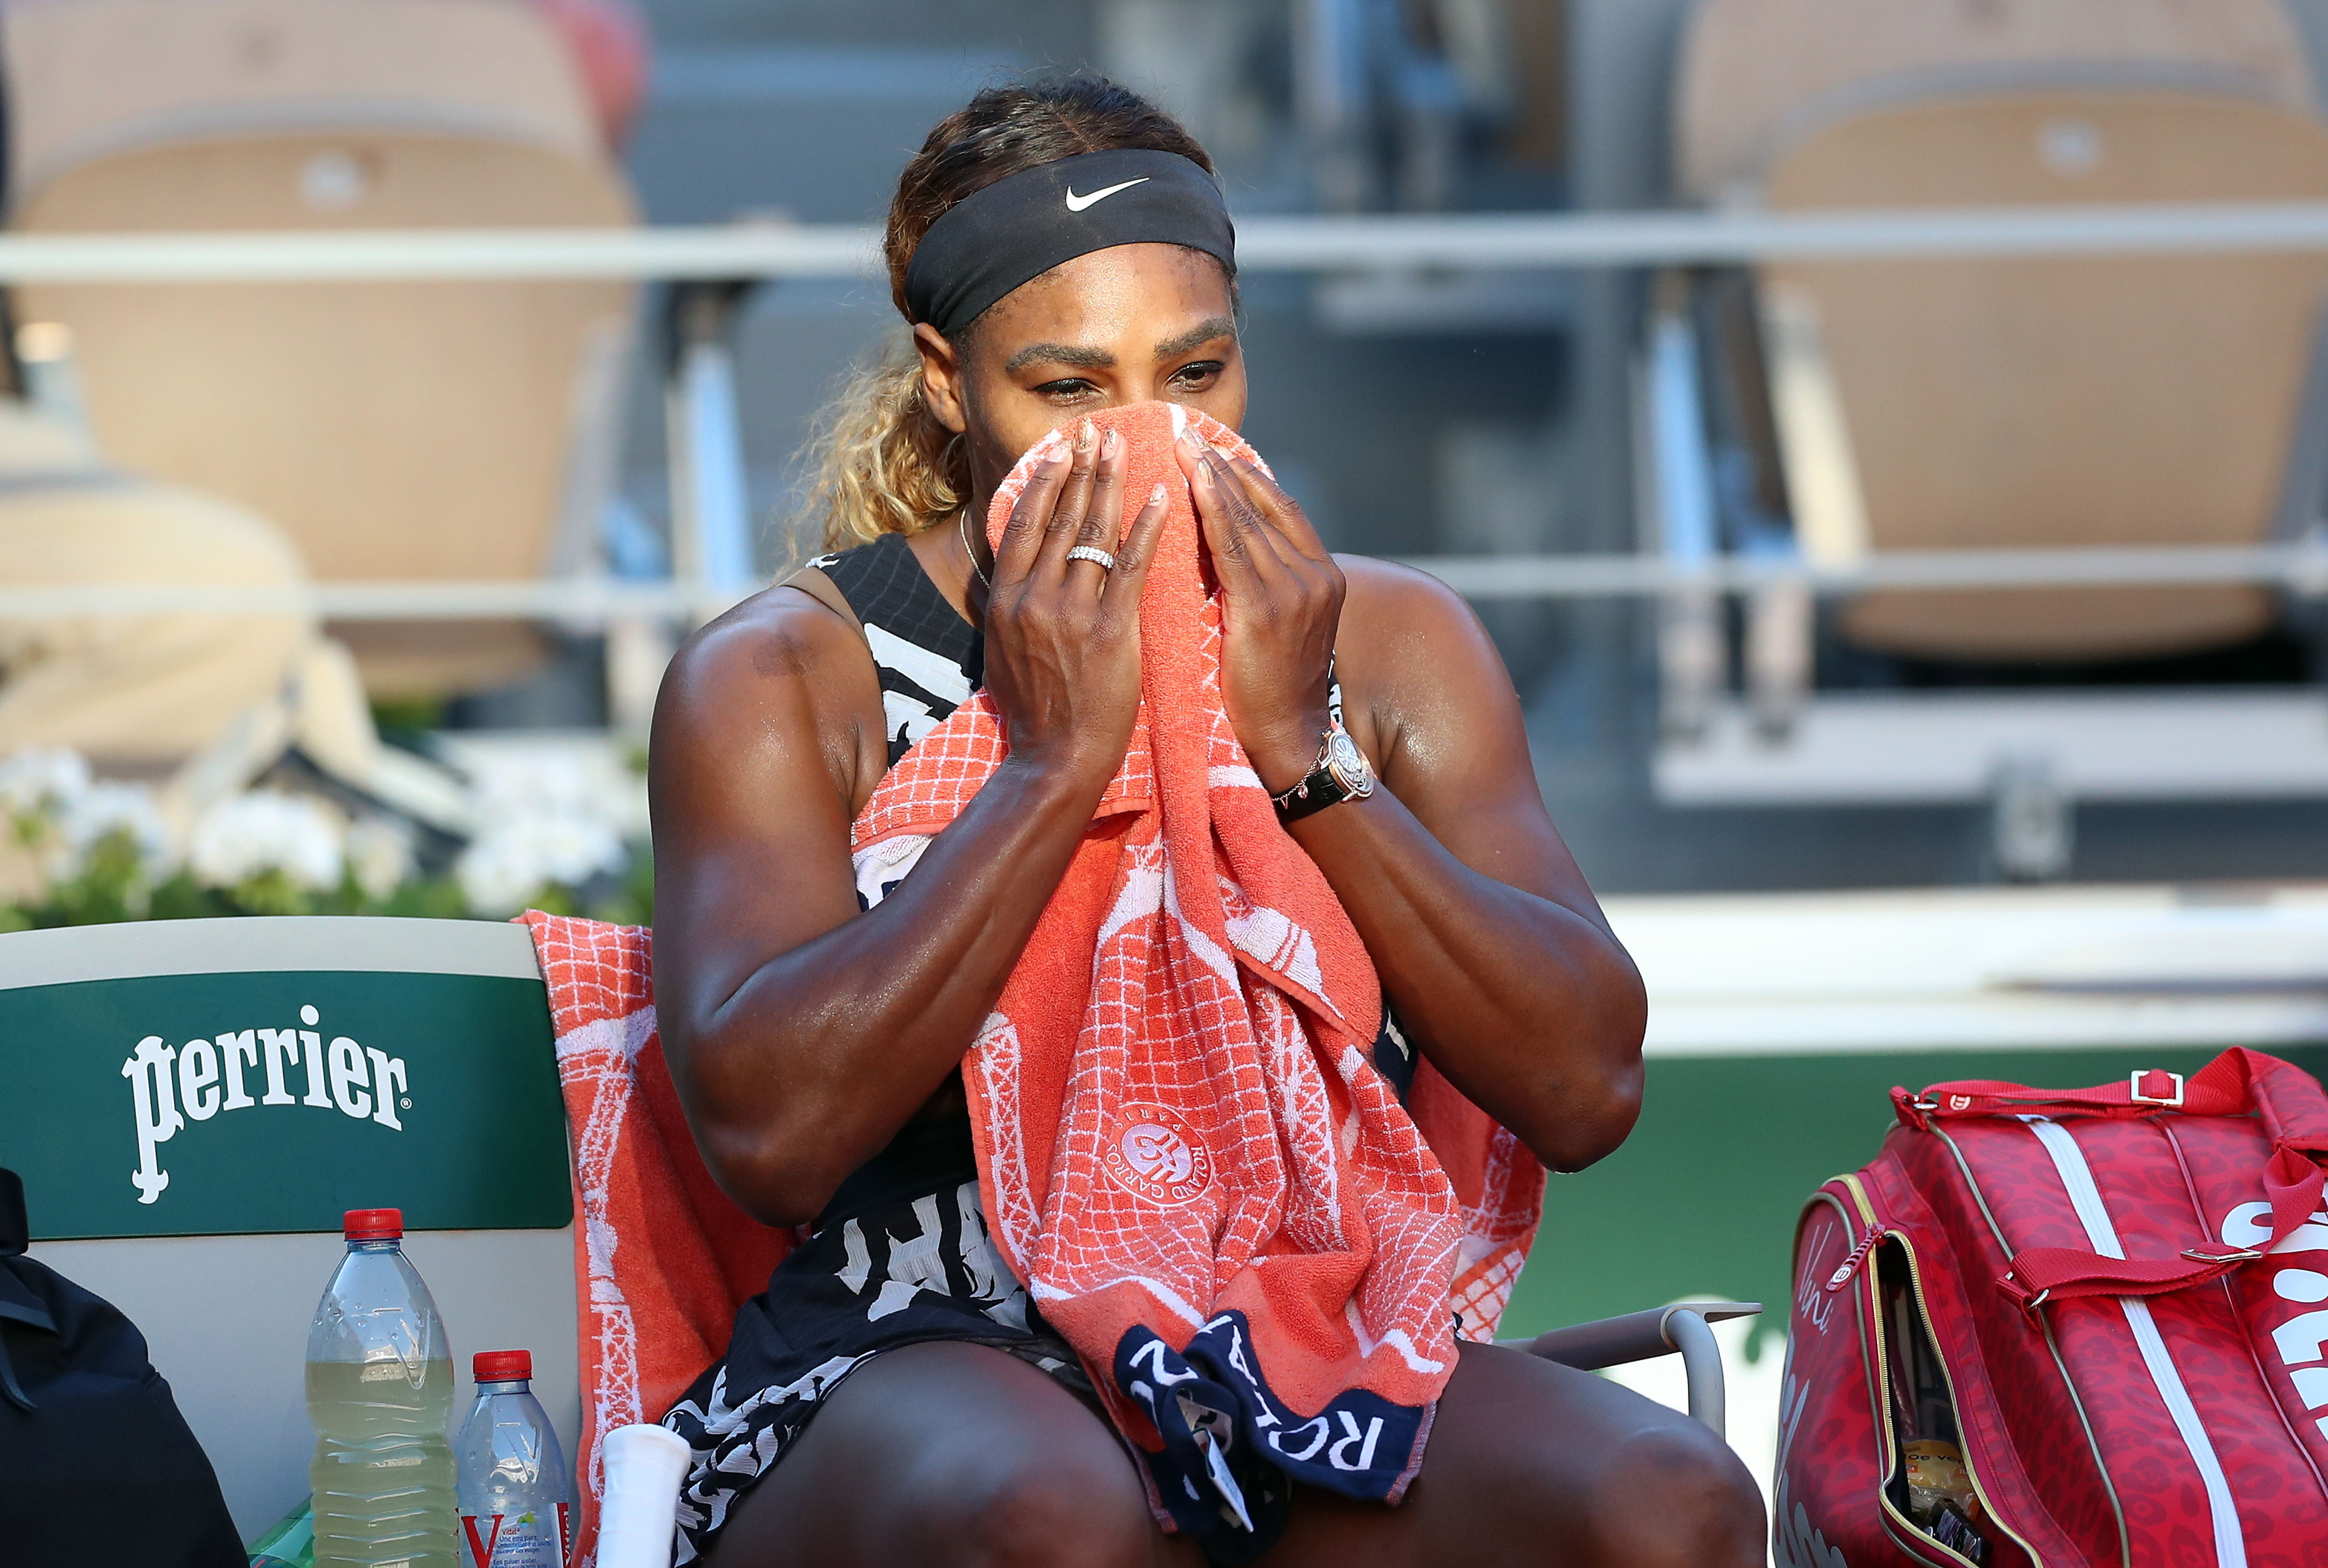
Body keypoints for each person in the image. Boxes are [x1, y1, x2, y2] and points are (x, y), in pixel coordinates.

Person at [650, 77, 1764, 1568]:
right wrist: (1051, 768)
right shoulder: (791, 670)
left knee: (1670, 1503)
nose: (1147, 443)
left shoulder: (1384, 642)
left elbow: (1584, 1088)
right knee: (1059, 1515)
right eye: (1069, 390)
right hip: (920, 1341)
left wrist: (1299, 752)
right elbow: (772, 1133)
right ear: (945, 378)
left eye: (1196, 374)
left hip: (1299, 1317)